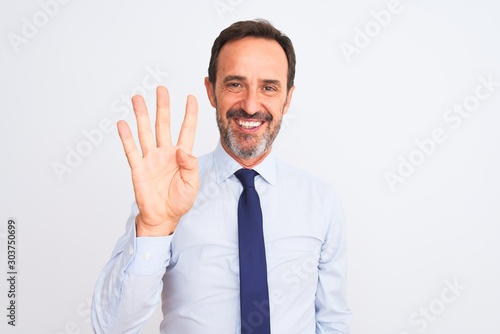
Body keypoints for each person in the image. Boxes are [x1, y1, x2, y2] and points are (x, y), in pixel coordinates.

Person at [91, 19, 352, 333]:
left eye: (269, 87)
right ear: (211, 90)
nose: (251, 105)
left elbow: (333, 321)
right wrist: (154, 228)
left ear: (288, 98)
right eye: (235, 84)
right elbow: (112, 328)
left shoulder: (321, 201)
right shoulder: (170, 191)